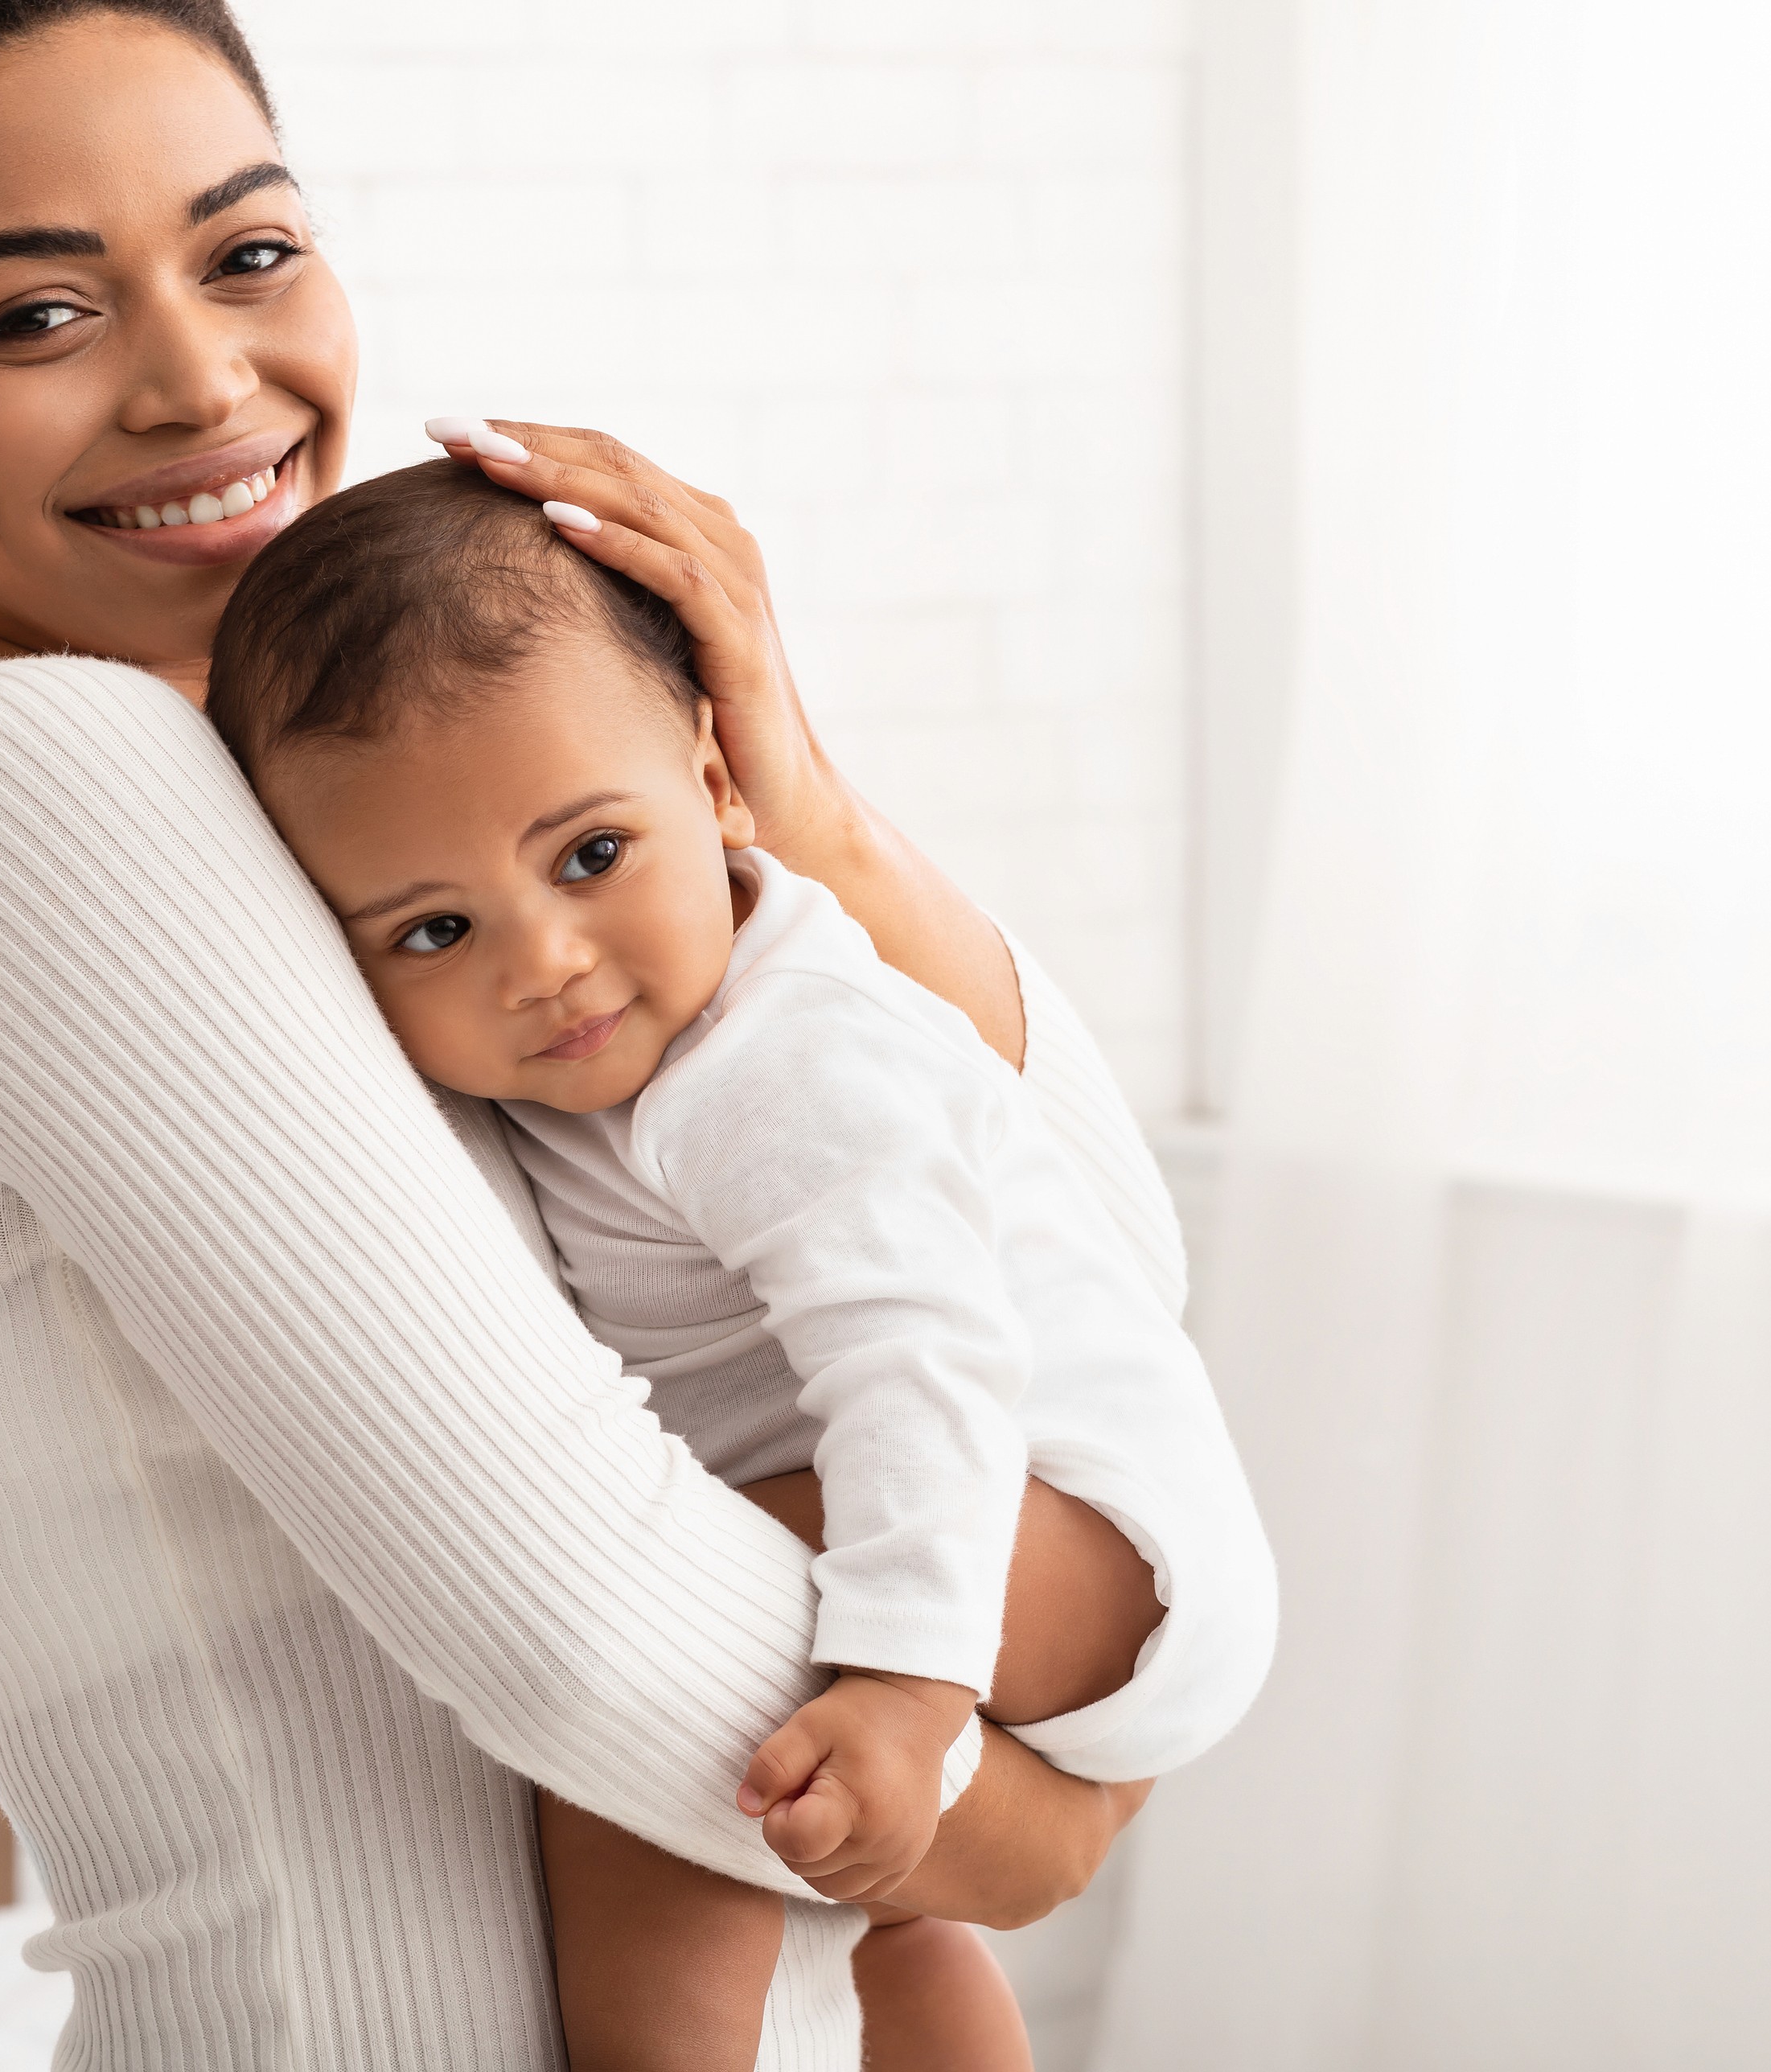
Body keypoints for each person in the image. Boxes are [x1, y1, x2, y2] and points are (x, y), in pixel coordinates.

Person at [0, 3, 1205, 2064]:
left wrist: (791, 804)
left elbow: (1074, 1267)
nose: (201, 381)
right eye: (34, 317)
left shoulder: (344, 821)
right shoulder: (37, 776)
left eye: (248, 254)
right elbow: (584, 1624)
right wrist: (1049, 1819)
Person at [203, 461, 1275, 2069]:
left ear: (715, 784)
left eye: (588, 857)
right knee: (880, 1902)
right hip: (963, 1519)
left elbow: (923, 1361)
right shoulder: (596, 1054)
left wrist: (912, 1694)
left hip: (1087, 1522)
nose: (542, 963)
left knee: (656, 1701)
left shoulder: (782, 1060)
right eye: (434, 933)